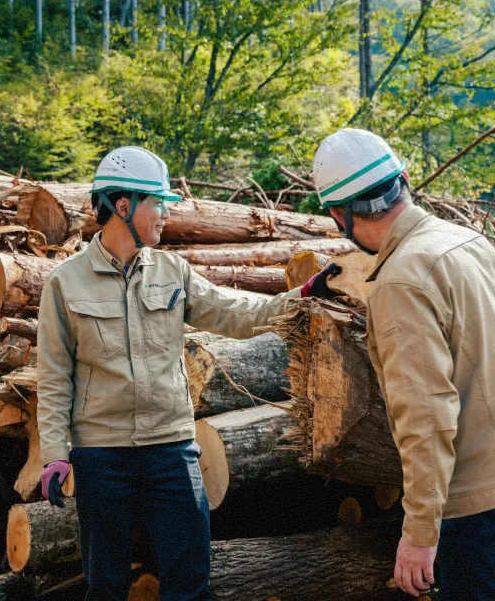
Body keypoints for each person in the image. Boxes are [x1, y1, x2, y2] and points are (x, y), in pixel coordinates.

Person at [35, 146, 338, 601]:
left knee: (190, 582)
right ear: (123, 206)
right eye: (157, 203)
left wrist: (302, 295)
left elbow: (237, 313)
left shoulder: (172, 271)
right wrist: (56, 453)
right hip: (102, 457)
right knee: (106, 588)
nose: (164, 215)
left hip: (170, 452)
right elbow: (54, 375)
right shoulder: (64, 282)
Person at [311, 129, 495, 601]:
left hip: (482, 498)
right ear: (403, 180)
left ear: (338, 214)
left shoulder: (400, 282)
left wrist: (420, 533)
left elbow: (425, 418)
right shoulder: (465, 241)